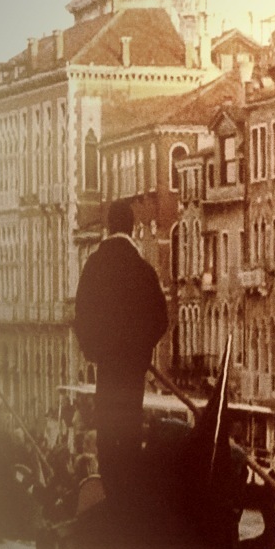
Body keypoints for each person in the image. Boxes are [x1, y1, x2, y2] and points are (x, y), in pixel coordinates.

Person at [72, 200, 169, 504]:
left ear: (109, 227)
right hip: (132, 370)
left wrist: (94, 351)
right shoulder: (143, 270)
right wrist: (141, 350)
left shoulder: (93, 266)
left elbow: (81, 316)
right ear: (131, 227)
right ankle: (127, 501)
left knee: (107, 432)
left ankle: (112, 497)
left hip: (107, 367)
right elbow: (161, 320)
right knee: (128, 433)